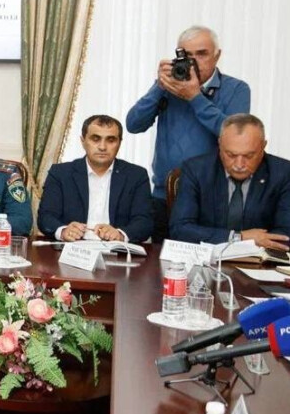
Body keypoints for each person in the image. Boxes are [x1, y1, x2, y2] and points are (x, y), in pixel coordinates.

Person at [126, 25, 250, 242]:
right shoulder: (169, 87)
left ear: (217, 56)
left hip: (211, 198)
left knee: (210, 259)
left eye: (202, 54)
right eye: (187, 55)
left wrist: (195, 97)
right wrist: (159, 86)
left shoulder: (236, 89)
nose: (193, 62)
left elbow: (235, 136)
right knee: (159, 260)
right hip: (164, 196)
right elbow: (133, 124)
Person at [169, 114, 290, 248]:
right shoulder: (196, 170)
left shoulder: (283, 173)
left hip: (260, 259)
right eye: (231, 155)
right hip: (207, 256)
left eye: (249, 156)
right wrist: (239, 238)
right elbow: (180, 229)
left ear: (263, 146)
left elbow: (286, 234)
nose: (239, 164)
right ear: (220, 144)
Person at [38, 115, 153, 243]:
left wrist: (120, 234)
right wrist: (64, 231)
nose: (102, 147)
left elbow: (144, 221)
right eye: (95, 139)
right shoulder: (60, 173)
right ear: (83, 141)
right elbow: (46, 217)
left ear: (119, 143)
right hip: (72, 248)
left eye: (110, 140)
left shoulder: (136, 175)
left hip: (116, 250)